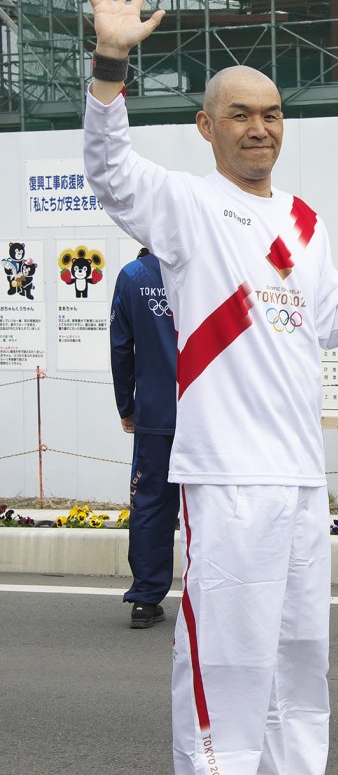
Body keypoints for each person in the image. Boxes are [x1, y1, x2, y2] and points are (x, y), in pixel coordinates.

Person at [81, 0, 338, 775]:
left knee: (298, 653)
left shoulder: (305, 220)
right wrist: (110, 61)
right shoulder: (187, 206)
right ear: (207, 126)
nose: (260, 127)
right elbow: (109, 169)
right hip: (227, 472)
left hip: (297, 473)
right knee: (224, 657)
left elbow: (329, 322)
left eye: (273, 113)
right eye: (241, 114)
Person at [110, 246, 179, 628]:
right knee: (212, 504)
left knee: (151, 503)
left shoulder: (134, 276)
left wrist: (126, 406)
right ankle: (216, 598)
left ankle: (145, 598)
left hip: (155, 411)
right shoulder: (204, 265)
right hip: (209, 410)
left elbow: (121, 348)